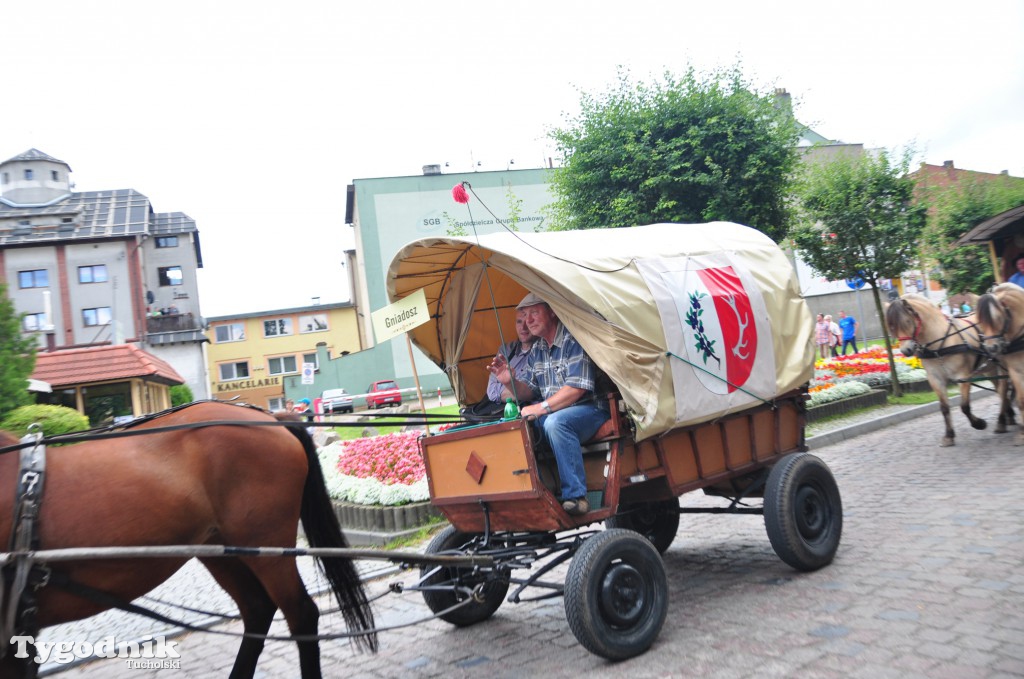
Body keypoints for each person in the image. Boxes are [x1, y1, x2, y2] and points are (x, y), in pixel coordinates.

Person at [488, 293, 609, 516]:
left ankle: (576, 497)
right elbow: (529, 390)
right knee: (516, 426)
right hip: (558, 412)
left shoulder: (573, 339)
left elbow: (576, 388)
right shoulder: (538, 349)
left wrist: (541, 408)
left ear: (552, 312)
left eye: (534, 313)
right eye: (524, 316)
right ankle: (537, 493)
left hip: (591, 410)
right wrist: (510, 381)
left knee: (554, 423)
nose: (528, 321)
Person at [485, 307, 536, 404]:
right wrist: (518, 389)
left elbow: (535, 392)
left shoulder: (542, 351)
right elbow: (491, 391)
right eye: (519, 322)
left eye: (528, 322)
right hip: (500, 411)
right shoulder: (506, 349)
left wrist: (508, 386)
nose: (523, 327)